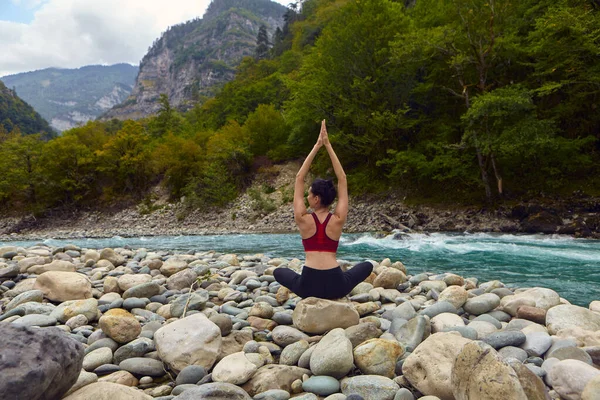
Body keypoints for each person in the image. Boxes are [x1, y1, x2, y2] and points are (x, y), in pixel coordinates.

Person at [273, 120, 373, 299]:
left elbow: (299, 178)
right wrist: (328, 146)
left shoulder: (302, 218)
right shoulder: (338, 218)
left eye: (309, 194)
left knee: (279, 272)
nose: (307, 197)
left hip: (308, 286)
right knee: (367, 266)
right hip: (336, 285)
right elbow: (342, 178)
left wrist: (317, 146)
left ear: (316, 199)